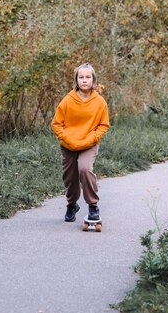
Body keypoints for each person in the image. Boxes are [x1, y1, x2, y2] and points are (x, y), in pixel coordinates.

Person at [51, 63, 110, 222]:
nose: (84, 80)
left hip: (88, 143)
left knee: (84, 169)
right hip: (68, 144)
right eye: (81, 77)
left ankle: (93, 206)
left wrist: (94, 138)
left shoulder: (99, 102)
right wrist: (65, 138)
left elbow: (103, 124)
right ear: (76, 81)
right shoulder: (67, 100)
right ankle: (72, 205)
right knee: (70, 177)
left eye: (88, 77)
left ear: (93, 80)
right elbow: (56, 123)